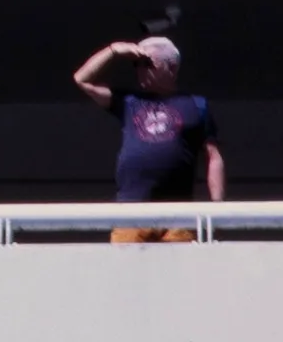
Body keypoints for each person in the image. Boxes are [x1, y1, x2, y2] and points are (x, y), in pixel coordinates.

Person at [72, 35, 225, 242]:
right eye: (136, 64)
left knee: (180, 264)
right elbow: (82, 80)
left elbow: (213, 157)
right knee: (126, 263)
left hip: (178, 216)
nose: (140, 70)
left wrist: (218, 208)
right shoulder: (129, 101)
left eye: (147, 63)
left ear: (172, 68)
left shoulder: (196, 105)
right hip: (131, 213)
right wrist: (113, 51)